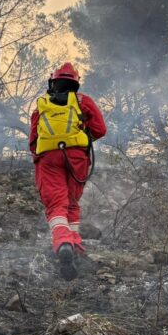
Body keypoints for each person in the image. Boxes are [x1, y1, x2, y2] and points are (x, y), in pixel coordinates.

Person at [29, 62, 107, 280]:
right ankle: (75, 245)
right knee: (72, 202)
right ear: (75, 83)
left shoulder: (41, 106)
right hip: (77, 157)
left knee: (57, 204)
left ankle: (63, 242)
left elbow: (33, 141)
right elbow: (101, 130)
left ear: (53, 83)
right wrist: (80, 138)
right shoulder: (83, 102)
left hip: (49, 158)